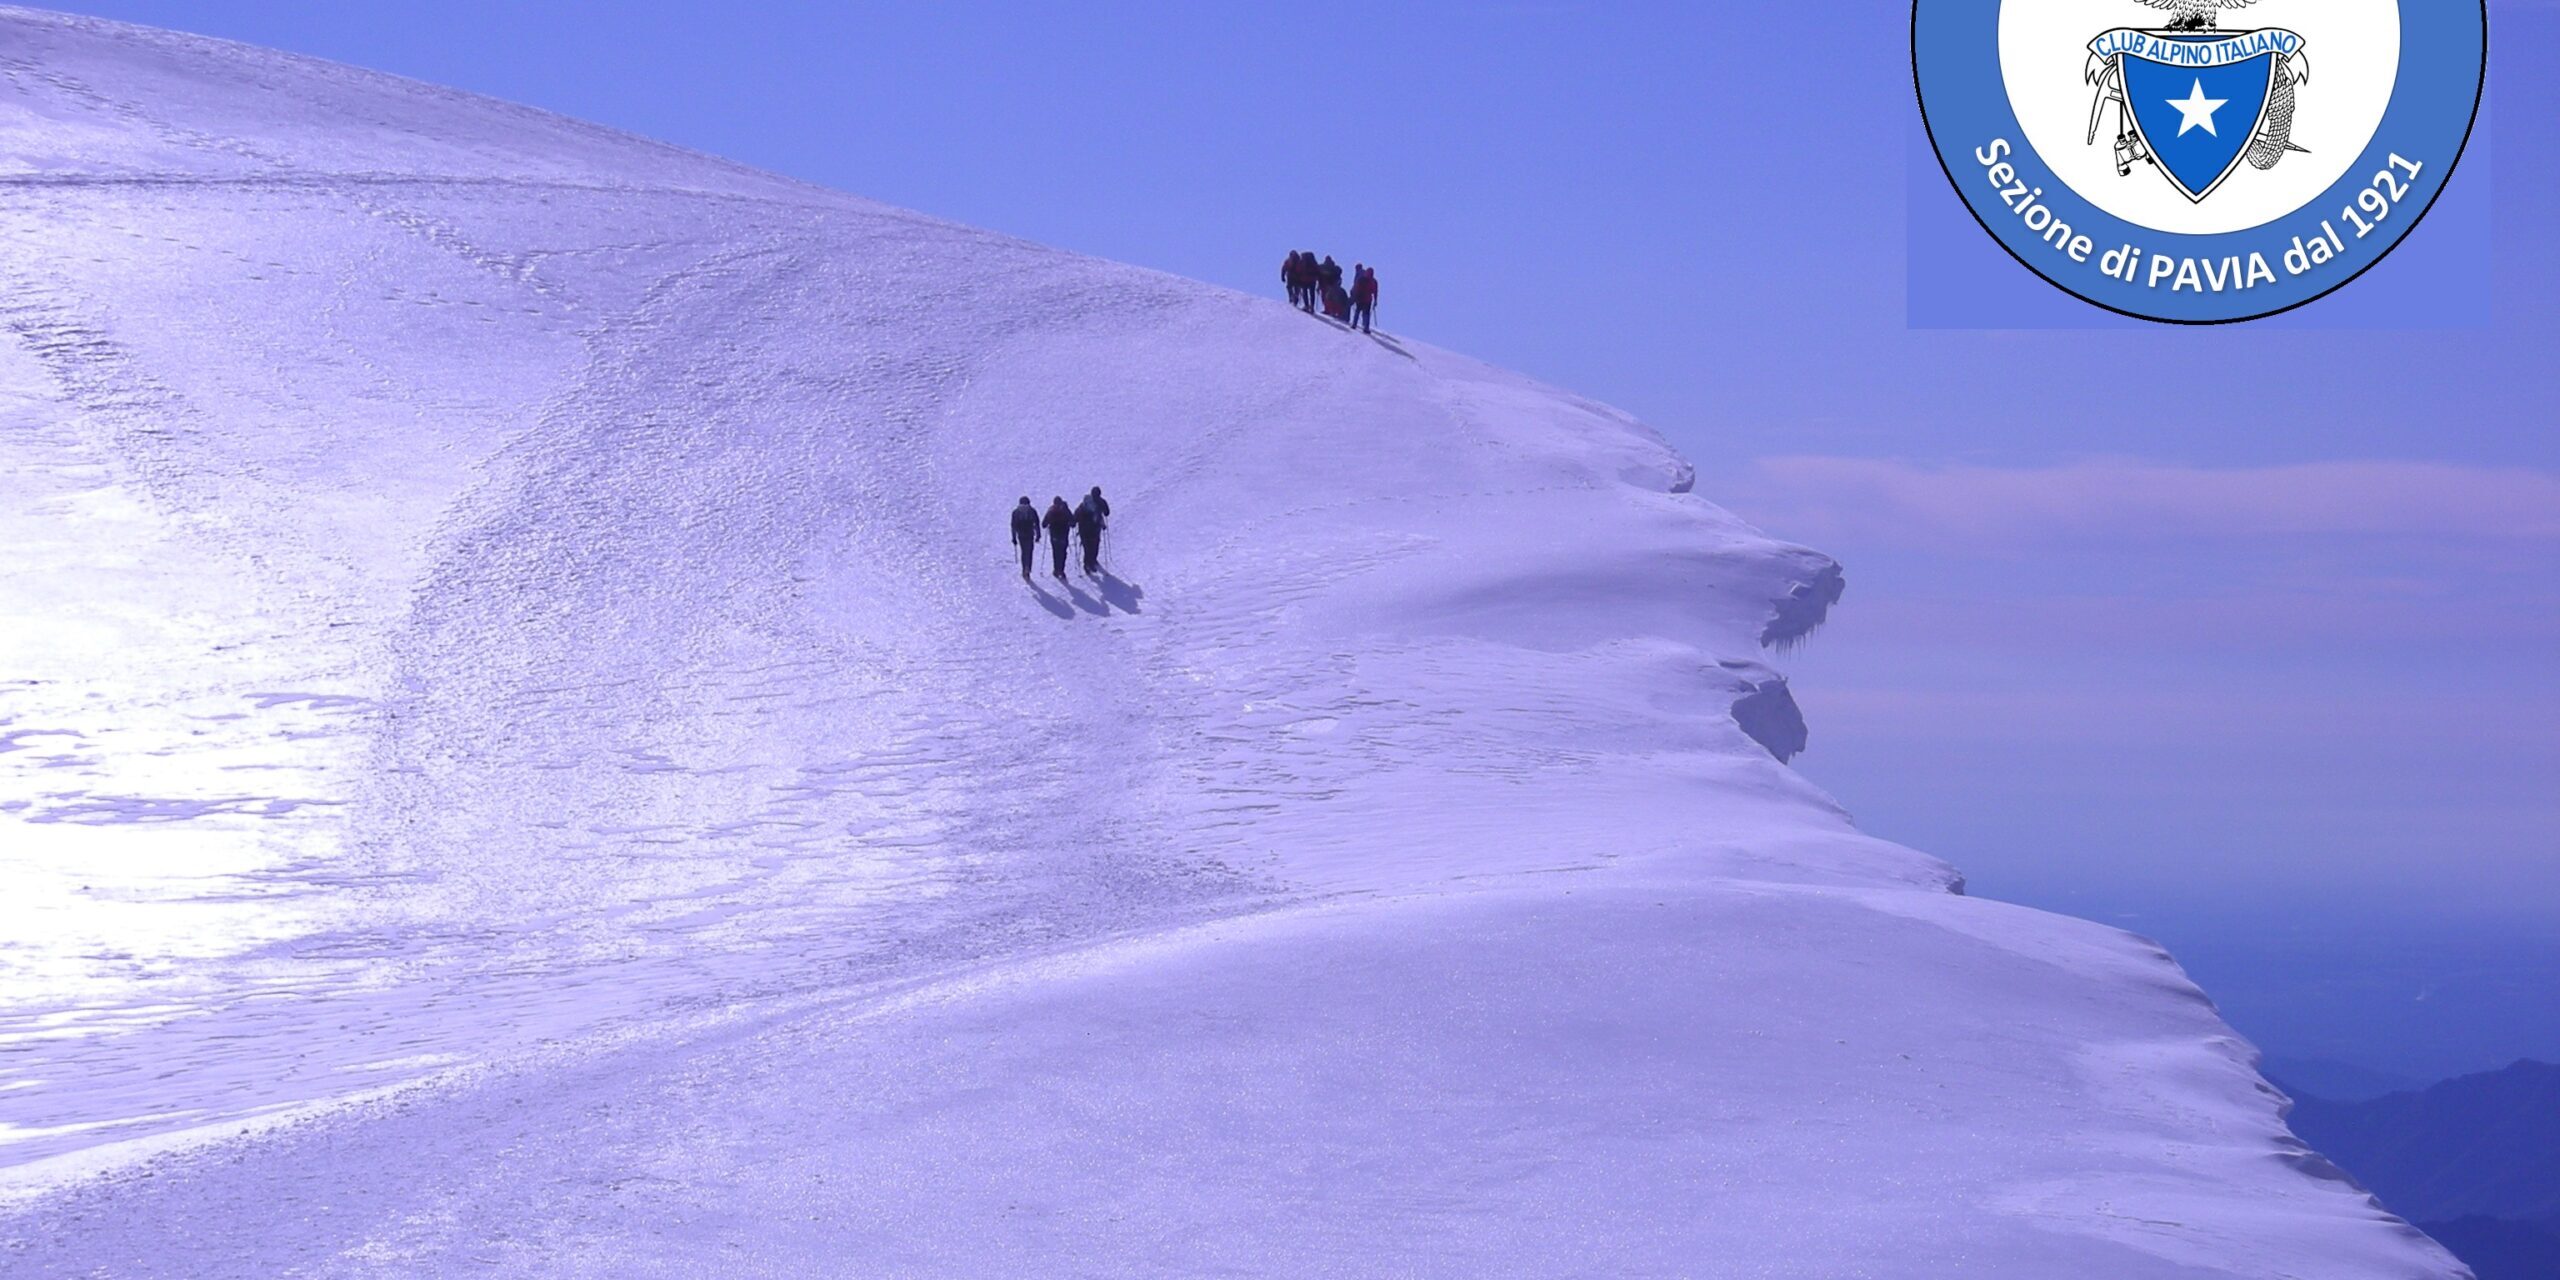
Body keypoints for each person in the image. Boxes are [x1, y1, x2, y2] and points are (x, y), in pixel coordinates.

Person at [1074, 486, 1111, 576]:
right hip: (1095, 528)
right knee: (1095, 545)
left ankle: (1087, 564)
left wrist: (1073, 522)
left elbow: (1076, 515)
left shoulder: (1085, 502)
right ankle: (1092, 561)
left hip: (1083, 528)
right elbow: (1107, 513)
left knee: (1087, 547)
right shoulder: (1101, 502)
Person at [1042, 496, 1076, 581]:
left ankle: (1056, 569)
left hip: (1054, 535)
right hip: (1064, 535)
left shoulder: (1051, 510)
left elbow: (1044, 524)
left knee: (1056, 552)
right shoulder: (1066, 510)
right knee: (1063, 552)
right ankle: (1061, 570)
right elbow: (1073, 523)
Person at [1010, 496, 1041, 579]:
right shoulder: (1032, 511)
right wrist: (1038, 535)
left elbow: (1013, 526)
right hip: (1030, 533)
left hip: (1021, 534)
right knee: (1029, 551)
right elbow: (1037, 523)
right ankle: (1028, 568)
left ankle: (1024, 569)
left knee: (1024, 551)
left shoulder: (1016, 512)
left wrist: (1014, 538)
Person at [1350, 265, 1378, 334]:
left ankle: (1354, 324)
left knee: (1357, 311)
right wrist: (1375, 300)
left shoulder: (1361, 279)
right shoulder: (1374, 281)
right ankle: (1366, 327)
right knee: (1366, 314)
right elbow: (1375, 292)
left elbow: (1357, 288)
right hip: (1368, 299)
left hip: (1360, 298)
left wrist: (1354, 296)